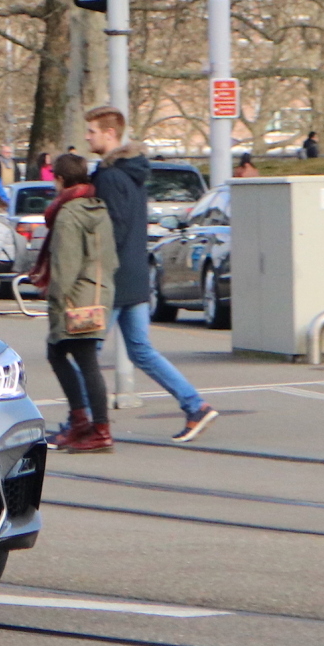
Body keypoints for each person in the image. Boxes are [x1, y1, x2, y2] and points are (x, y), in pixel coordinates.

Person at [84, 105, 218, 443]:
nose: (87, 137)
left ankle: (85, 423)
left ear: (110, 134)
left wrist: (89, 266)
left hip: (113, 278)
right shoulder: (133, 173)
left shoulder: (111, 177)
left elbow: (111, 228)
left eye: (92, 132)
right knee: (140, 350)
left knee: (85, 352)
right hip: (134, 274)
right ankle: (194, 405)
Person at [34, 152, 113, 451]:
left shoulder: (67, 214)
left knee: (73, 358)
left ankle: (95, 428)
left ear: (61, 179)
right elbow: (109, 257)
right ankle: (85, 423)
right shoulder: (98, 208)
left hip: (74, 297)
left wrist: (54, 296)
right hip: (97, 291)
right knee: (76, 357)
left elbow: (65, 265)